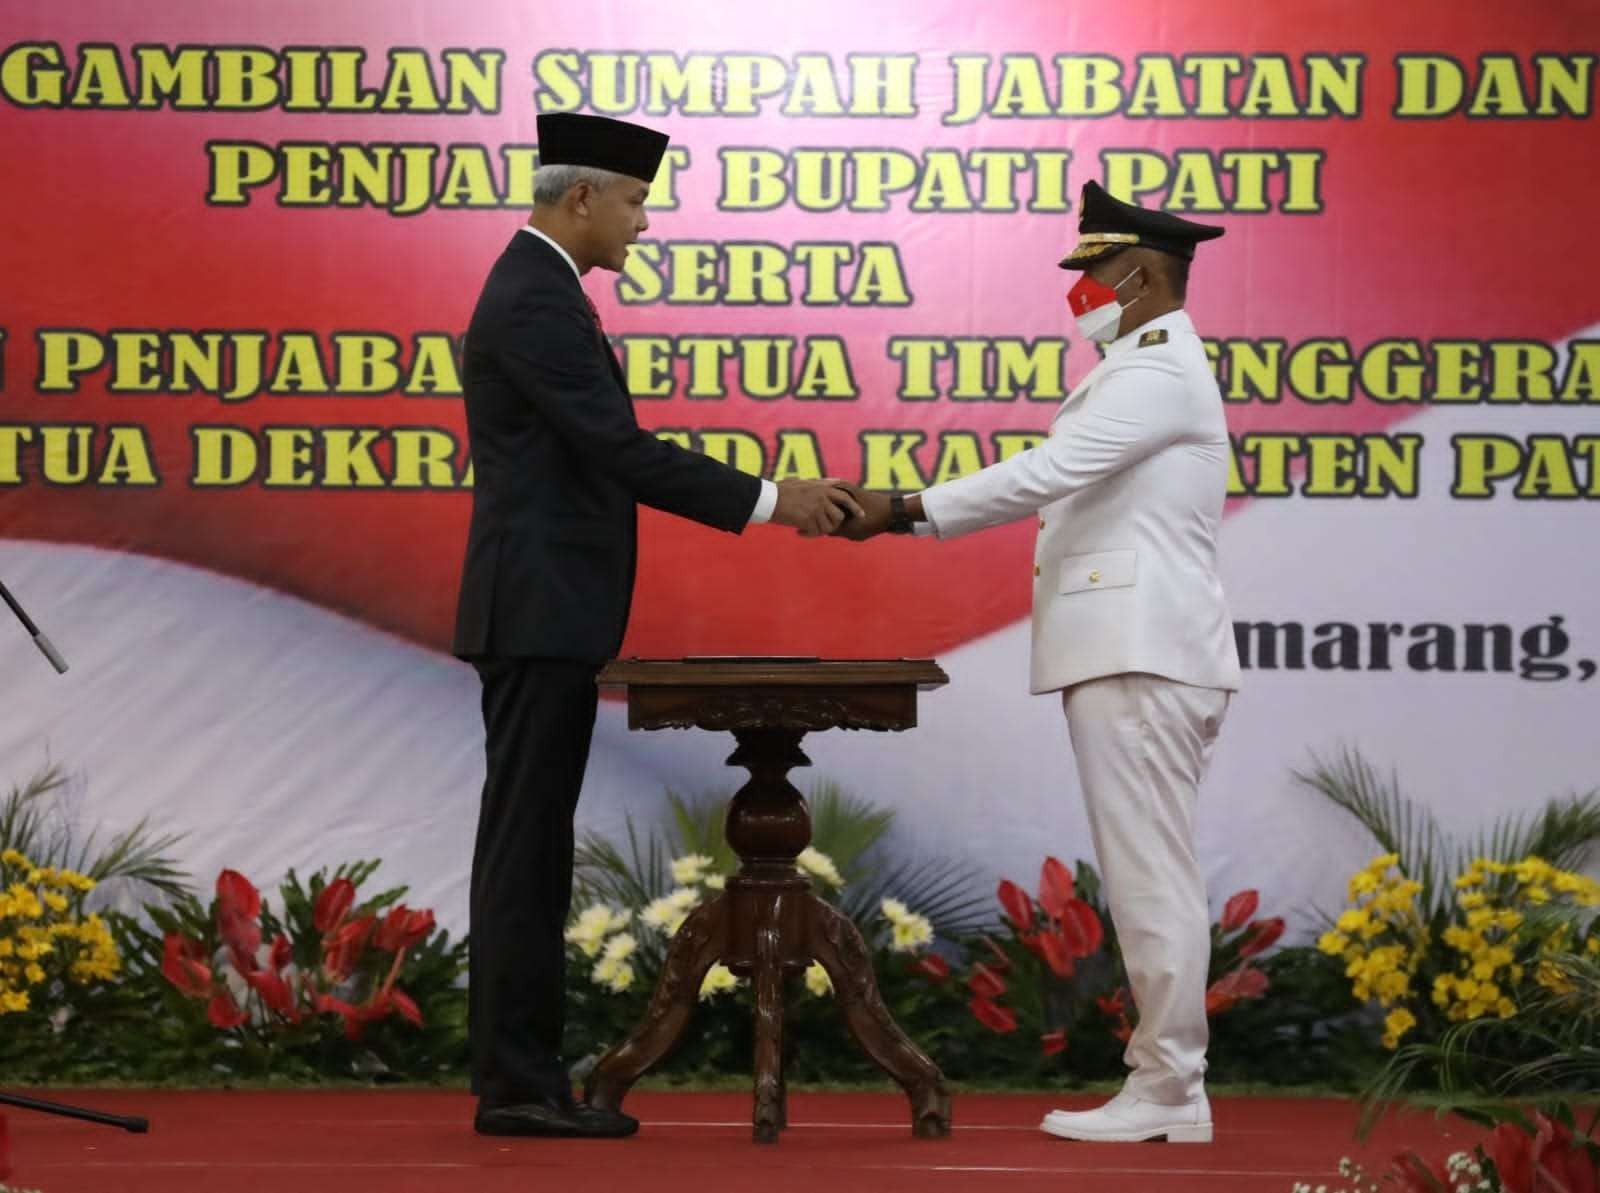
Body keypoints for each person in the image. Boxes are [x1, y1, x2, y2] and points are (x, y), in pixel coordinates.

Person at [453, 112, 860, 1139]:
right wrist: (775, 497)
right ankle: (514, 1085)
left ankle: (521, 1074)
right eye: (634, 201)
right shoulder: (534, 297)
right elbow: (620, 450)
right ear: (580, 197)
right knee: (524, 852)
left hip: (548, 611)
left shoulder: (541, 289)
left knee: (530, 847)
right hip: (537, 611)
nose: (643, 221)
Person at [839, 180, 1241, 1143]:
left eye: (1091, 275)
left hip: (1140, 649)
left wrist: (904, 508)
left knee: (1150, 875)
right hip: (1135, 648)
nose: (1079, 294)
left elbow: (1046, 474)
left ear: (1138, 275)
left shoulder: (1154, 369)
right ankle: (1169, 1083)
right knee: (1153, 870)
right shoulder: (1144, 363)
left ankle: (1169, 1087)